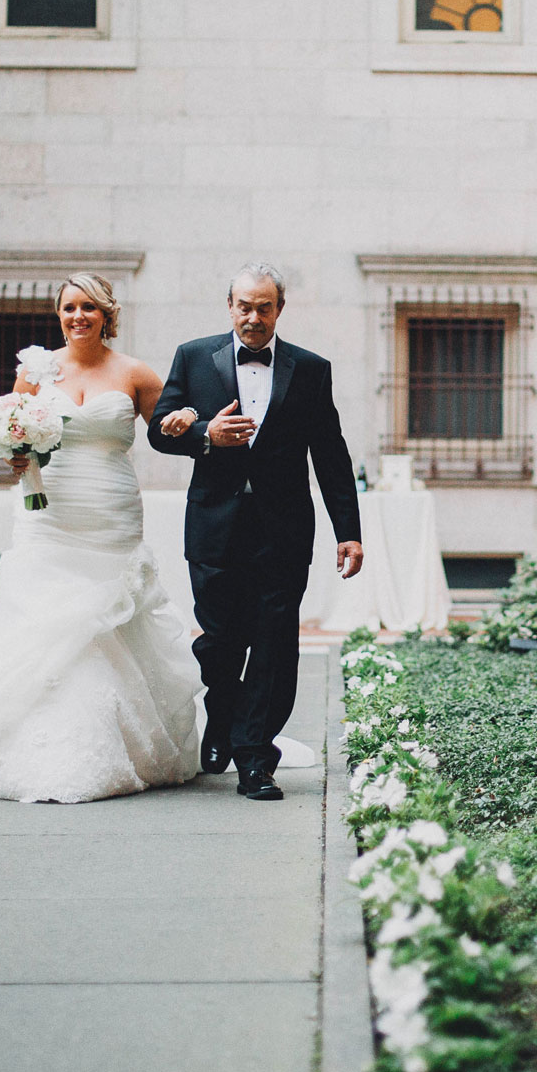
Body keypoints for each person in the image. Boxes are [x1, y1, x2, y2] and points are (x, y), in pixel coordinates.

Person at [0, 273, 208, 803]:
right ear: (58, 315)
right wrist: (15, 454)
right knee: (43, 614)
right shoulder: (36, 370)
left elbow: (174, 431)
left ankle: (125, 746)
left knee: (109, 619)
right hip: (47, 512)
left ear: (108, 314)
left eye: (89, 307)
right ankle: (34, 747)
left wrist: (193, 425)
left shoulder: (135, 373)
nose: (78, 316)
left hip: (110, 511)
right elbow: (9, 431)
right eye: (68, 308)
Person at [148, 262, 363, 802]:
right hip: (214, 526)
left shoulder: (311, 370)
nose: (253, 316)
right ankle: (221, 716)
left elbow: (331, 455)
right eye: (244, 305)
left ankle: (254, 759)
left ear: (279, 310)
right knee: (220, 640)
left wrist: (349, 531)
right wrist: (203, 433)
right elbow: (160, 431)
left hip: (283, 531)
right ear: (230, 307)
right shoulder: (194, 356)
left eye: (263, 306)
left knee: (273, 645)